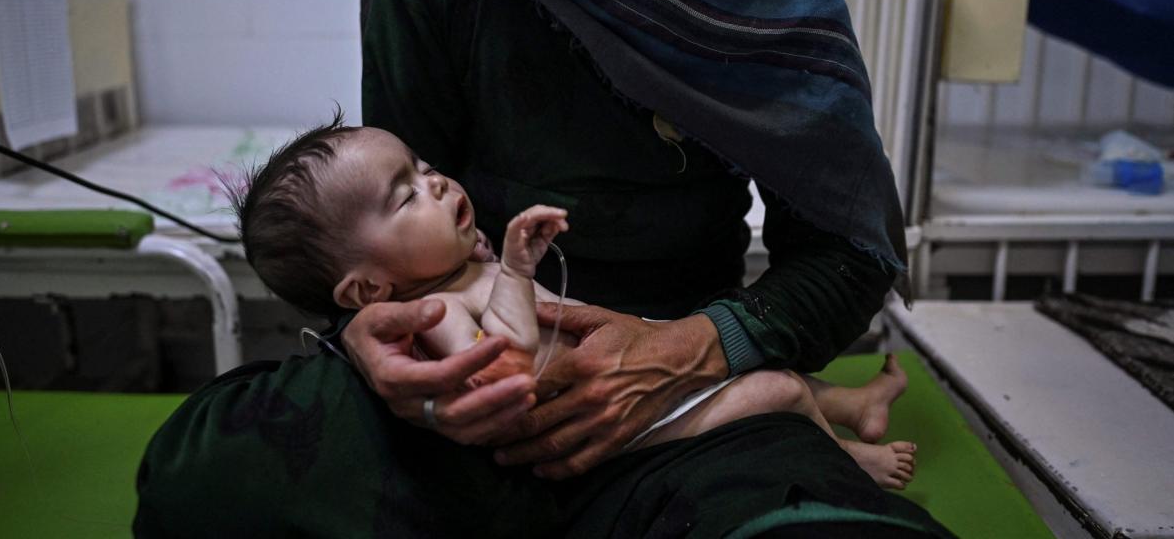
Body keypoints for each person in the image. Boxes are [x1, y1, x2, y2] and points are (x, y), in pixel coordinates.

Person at [135, 0, 953, 535]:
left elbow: (846, 254)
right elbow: (370, 221)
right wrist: (374, 339)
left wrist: (692, 350)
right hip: (465, 390)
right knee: (202, 480)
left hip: (676, 380)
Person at [231, 119, 917, 487]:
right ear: (367, 292)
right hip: (609, 432)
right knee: (773, 388)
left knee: (710, 351)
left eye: (423, 166)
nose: (437, 183)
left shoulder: (455, 271)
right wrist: (517, 271)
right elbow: (507, 370)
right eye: (406, 194)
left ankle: (855, 406)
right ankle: (849, 459)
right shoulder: (436, 315)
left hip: (618, 373)